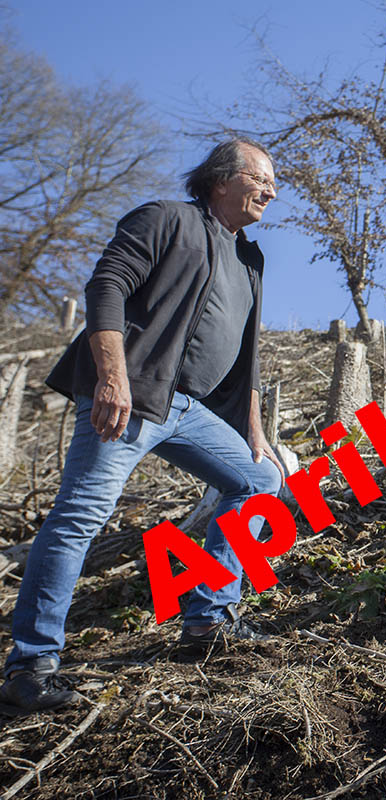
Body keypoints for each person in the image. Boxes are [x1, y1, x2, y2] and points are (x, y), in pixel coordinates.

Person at [1, 138, 285, 713]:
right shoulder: (167, 219)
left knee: (259, 483)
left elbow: (248, 357)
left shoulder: (249, 258)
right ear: (221, 179)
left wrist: (254, 432)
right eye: (260, 178)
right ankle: (30, 665)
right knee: (82, 513)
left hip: (191, 410)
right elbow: (106, 287)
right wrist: (112, 376)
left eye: (273, 182)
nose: (271, 190)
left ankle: (207, 620)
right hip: (132, 395)